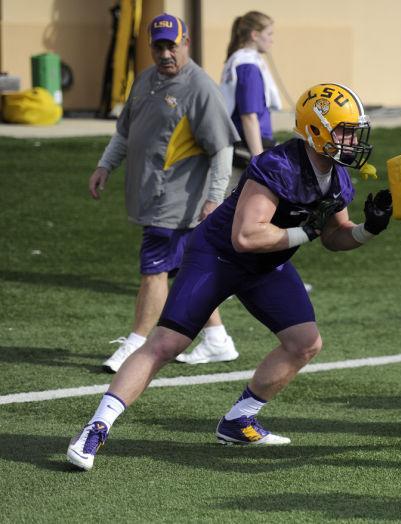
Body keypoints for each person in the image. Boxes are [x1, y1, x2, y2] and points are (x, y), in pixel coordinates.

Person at [67, 82, 393, 471]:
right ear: (317, 129)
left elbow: (333, 237)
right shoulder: (279, 166)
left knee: (304, 343)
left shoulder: (337, 177)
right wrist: (305, 231)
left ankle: (239, 420)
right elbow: (246, 235)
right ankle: (96, 426)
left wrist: (367, 230)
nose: (353, 140)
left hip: (266, 266)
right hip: (218, 256)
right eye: (345, 130)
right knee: (166, 343)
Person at [89, 13, 240, 372]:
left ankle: (136, 343)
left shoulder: (200, 87)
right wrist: (104, 165)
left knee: (153, 270)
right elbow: (124, 132)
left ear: (185, 42)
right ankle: (218, 340)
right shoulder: (145, 80)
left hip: (175, 200)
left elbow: (222, 149)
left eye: (172, 45)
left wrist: (214, 197)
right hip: (150, 195)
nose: (165, 53)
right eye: (158, 46)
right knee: (191, 269)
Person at [219, 11, 280, 193]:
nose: (271, 40)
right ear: (254, 35)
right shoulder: (248, 65)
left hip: (244, 145)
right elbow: (248, 116)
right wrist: (258, 159)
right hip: (246, 149)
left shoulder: (240, 60)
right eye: (269, 34)